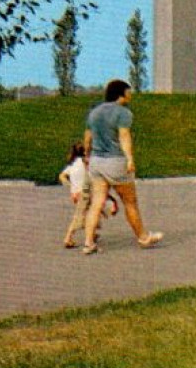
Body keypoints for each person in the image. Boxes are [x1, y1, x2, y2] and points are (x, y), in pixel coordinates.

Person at [81, 79, 163, 255]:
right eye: (128, 91)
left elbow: (87, 137)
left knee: (96, 202)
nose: (130, 94)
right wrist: (130, 158)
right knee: (130, 201)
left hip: (96, 161)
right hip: (115, 161)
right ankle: (143, 237)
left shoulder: (94, 112)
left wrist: (86, 155)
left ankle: (88, 243)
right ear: (121, 93)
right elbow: (124, 136)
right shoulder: (123, 113)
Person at [59, 141, 89, 248]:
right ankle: (68, 237)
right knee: (80, 216)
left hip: (75, 194)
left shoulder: (72, 165)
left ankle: (92, 233)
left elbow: (62, 176)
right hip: (84, 193)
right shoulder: (85, 163)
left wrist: (71, 186)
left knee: (87, 213)